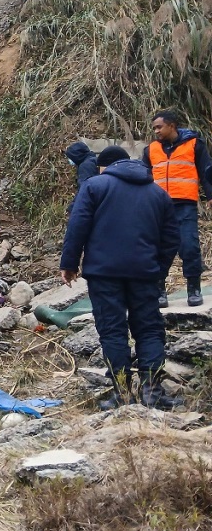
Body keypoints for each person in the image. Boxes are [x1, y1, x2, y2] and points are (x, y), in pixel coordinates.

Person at [60, 146, 182, 410]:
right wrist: (157, 271)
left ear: (105, 166)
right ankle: (152, 392)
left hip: (103, 274)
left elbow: (78, 225)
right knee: (149, 329)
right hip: (144, 273)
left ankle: (123, 393)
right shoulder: (158, 193)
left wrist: (69, 264)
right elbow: (171, 237)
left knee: (112, 331)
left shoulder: (94, 186)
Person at [141, 110, 212, 307]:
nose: (156, 131)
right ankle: (159, 290)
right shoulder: (150, 150)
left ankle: (194, 288)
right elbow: (143, 177)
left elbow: (207, 172)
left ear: (172, 126)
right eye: (154, 127)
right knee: (157, 249)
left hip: (185, 205)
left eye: (159, 127)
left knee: (189, 246)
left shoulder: (194, 144)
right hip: (158, 207)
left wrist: (211, 195)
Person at [64, 140, 98, 213]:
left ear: (76, 156)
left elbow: (85, 188)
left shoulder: (85, 166)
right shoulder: (94, 161)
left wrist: (73, 206)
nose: (69, 160)